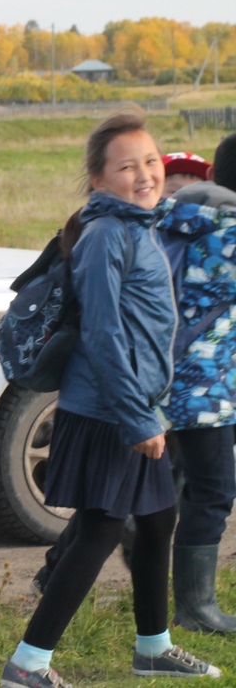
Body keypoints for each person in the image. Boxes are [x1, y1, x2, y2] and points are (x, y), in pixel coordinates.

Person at [1, 110, 219, 688]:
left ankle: (153, 648)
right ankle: (27, 665)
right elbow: (102, 333)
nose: (144, 174)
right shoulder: (105, 235)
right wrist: (136, 418)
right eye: (127, 166)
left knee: (158, 519)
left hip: (133, 406)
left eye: (150, 161)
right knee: (99, 531)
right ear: (98, 179)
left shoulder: (138, 226)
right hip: (108, 411)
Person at [153, 136, 236, 632]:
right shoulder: (230, 232)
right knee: (215, 490)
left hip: (161, 379)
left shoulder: (176, 218)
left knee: (150, 484)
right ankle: (195, 608)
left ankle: (54, 570)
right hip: (207, 391)